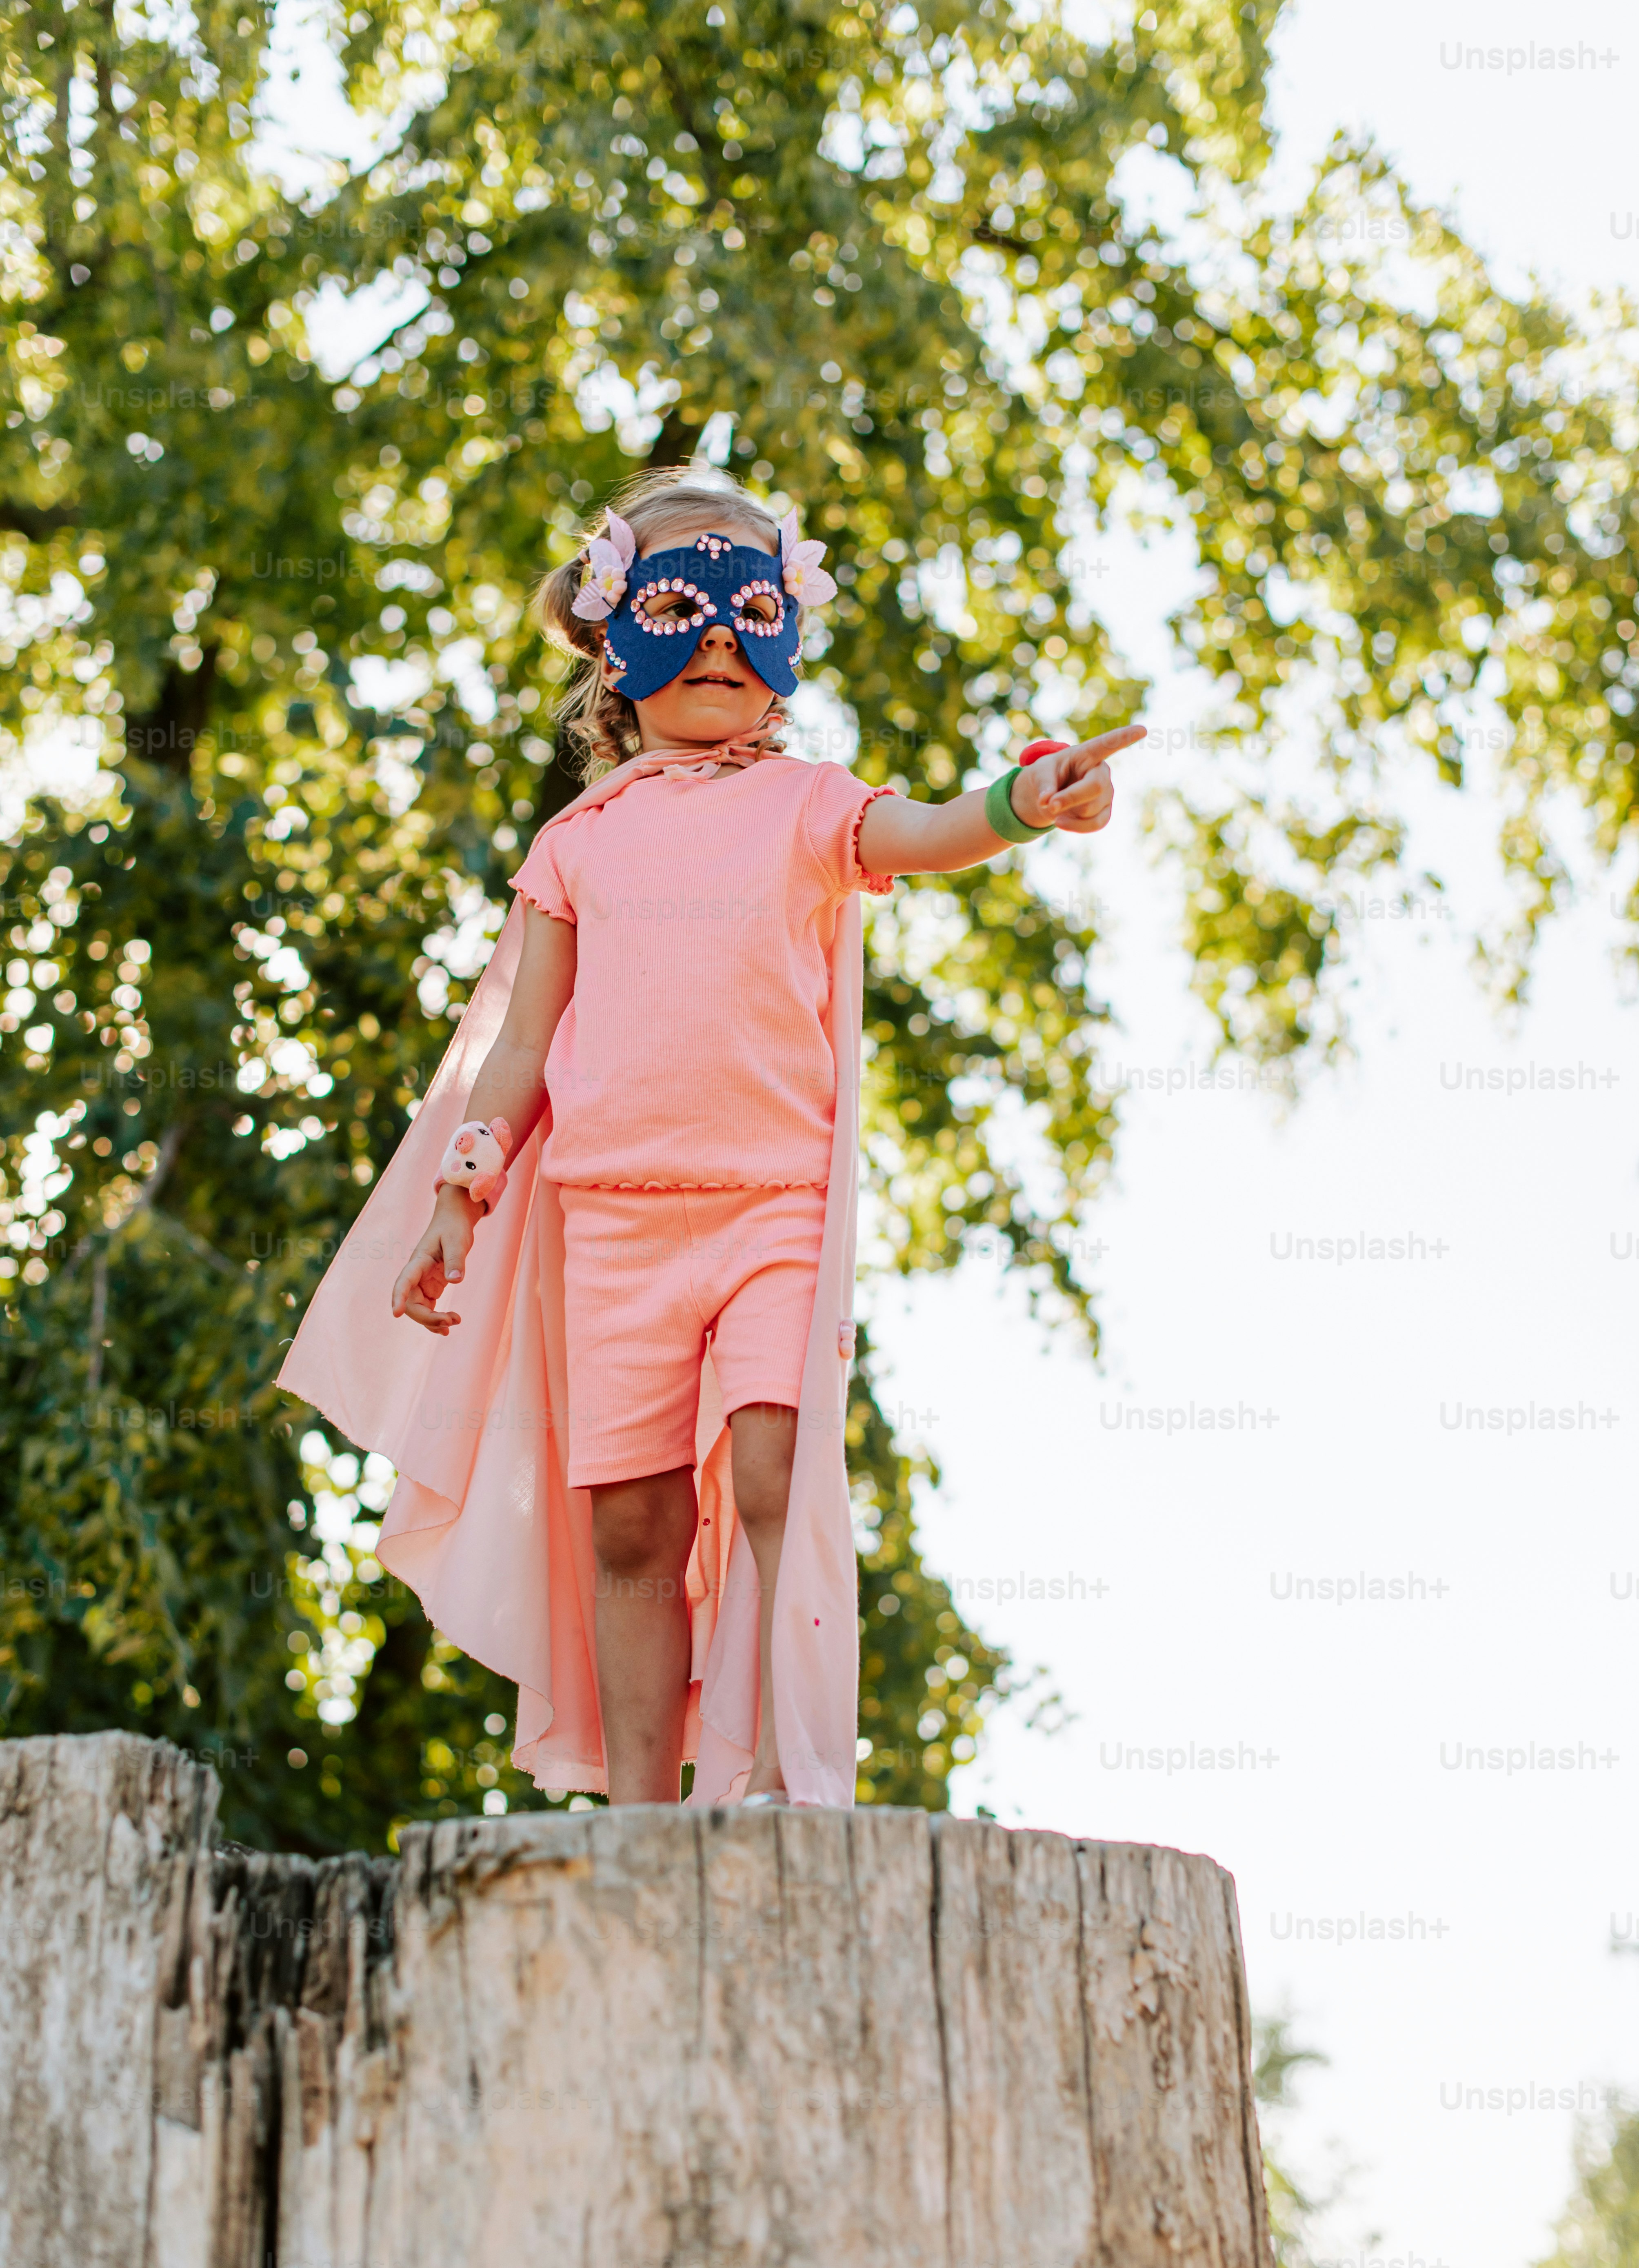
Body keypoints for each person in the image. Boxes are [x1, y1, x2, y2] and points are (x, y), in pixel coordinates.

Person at [279, 466, 1141, 1810]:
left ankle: (778, 1772)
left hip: (769, 1209)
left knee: (772, 1457)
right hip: (612, 1223)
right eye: (688, 606)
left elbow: (923, 834)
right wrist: (464, 1190)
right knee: (627, 1523)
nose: (724, 640)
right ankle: (637, 1811)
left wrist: (1028, 801)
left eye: (753, 610)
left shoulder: (810, 806)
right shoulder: (577, 843)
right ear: (619, 646)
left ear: (788, 636)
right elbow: (521, 1043)